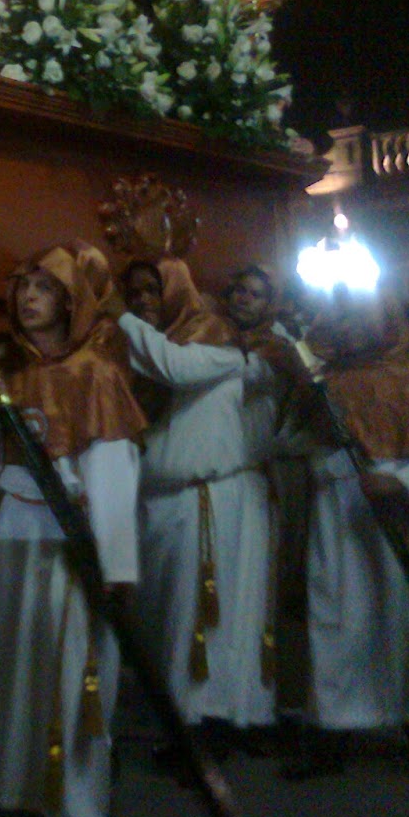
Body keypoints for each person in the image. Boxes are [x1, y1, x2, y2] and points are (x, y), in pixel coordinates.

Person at [0, 241, 145, 817]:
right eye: (22, 285)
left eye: (43, 285)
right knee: (25, 679)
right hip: (18, 544)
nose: (27, 295)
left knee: (76, 687)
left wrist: (115, 566)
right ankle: (35, 802)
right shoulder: (14, 376)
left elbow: (115, 472)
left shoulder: (96, 373)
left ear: (70, 299)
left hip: (74, 553)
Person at [285, 291, 409, 778]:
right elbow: (294, 437)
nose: (349, 327)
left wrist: (402, 480)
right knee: (337, 617)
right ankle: (335, 725)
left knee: (403, 615)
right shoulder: (327, 382)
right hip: (338, 514)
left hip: (396, 513)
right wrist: (320, 452)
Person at [115, 258, 286, 748]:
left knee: (203, 616)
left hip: (211, 495)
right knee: (167, 616)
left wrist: (118, 316)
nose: (143, 300)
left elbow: (177, 366)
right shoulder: (146, 351)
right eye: (135, 293)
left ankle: (204, 722)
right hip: (159, 499)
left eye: (153, 290)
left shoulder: (218, 345)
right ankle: (187, 716)